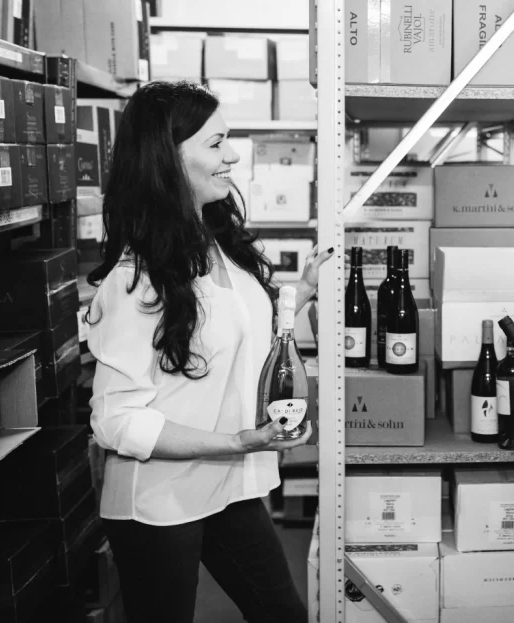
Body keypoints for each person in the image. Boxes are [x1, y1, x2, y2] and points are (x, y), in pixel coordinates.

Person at [86, 81, 332, 623]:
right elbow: (116, 420)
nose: (233, 155)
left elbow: (235, 335)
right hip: (159, 501)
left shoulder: (215, 242)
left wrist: (304, 292)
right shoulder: (137, 280)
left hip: (228, 484)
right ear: (168, 159)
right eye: (216, 142)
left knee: (283, 614)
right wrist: (237, 441)